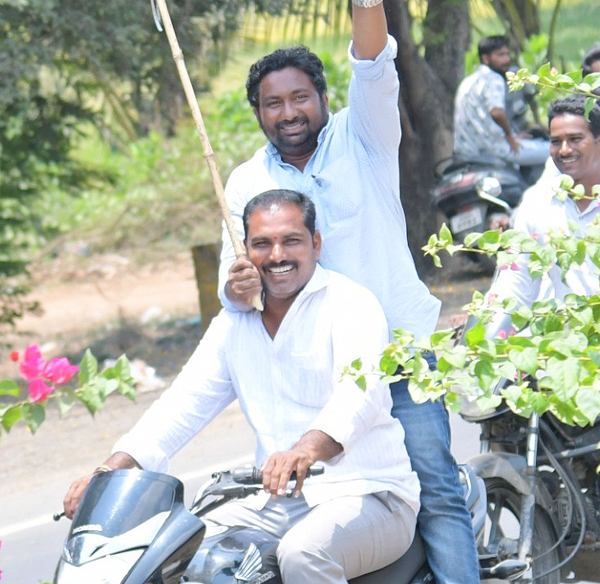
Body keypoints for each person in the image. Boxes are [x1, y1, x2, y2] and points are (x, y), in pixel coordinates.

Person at [218, 0, 479, 584]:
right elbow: (253, 293)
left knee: (437, 495)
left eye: (299, 97)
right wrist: (238, 287)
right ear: (257, 113)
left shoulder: (365, 134)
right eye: (273, 103)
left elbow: (373, 64)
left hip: (399, 355)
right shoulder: (245, 184)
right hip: (317, 376)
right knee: (315, 523)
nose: (289, 112)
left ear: (322, 97)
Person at [63, 190, 420, 584]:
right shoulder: (234, 324)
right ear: (245, 252)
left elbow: (360, 396)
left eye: (292, 241)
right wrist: (108, 472)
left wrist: (303, 451)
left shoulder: (352, 304)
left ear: (316, 244)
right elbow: (181, 405)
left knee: (303, 555)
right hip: (277, 502)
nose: (277, 255)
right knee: (176, 549)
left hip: (369, 494)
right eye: (262, 244)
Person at [487, 94, 600, 308]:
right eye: (556, 141)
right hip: (563, 337)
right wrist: (481, 318)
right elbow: (516, 284)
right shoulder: (537, 203)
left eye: (575, 139)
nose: (564, 150)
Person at [453, 34, 549, 169]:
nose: (507, 60)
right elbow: (496, 112)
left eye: (507, 54)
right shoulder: (494, 78)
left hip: (468, 152)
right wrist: (509, 136)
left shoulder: (469, 80)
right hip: (495, 150)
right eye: (500, 55)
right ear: (486, 58)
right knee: (553, 151)